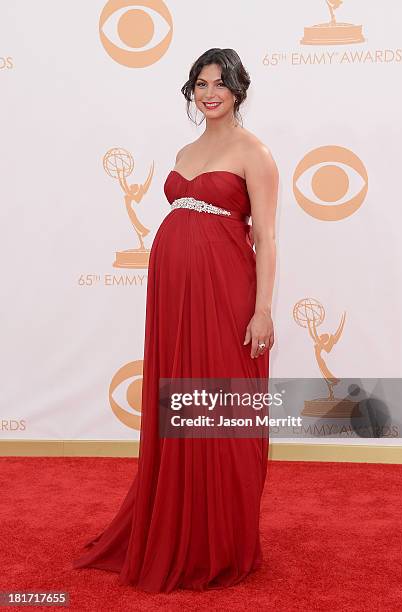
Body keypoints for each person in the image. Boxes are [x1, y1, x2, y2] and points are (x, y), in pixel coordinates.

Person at [72, 47, 278, 593]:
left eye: (220, 83)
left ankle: (219, 538)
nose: (210, 92)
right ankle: (177, 521)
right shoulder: (187, 148)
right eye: (201, 83)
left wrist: (262, 310)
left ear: (238, 90)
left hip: (226, 290)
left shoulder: (254, 152)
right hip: (172, 293)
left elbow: (268, 237)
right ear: (192, 91)